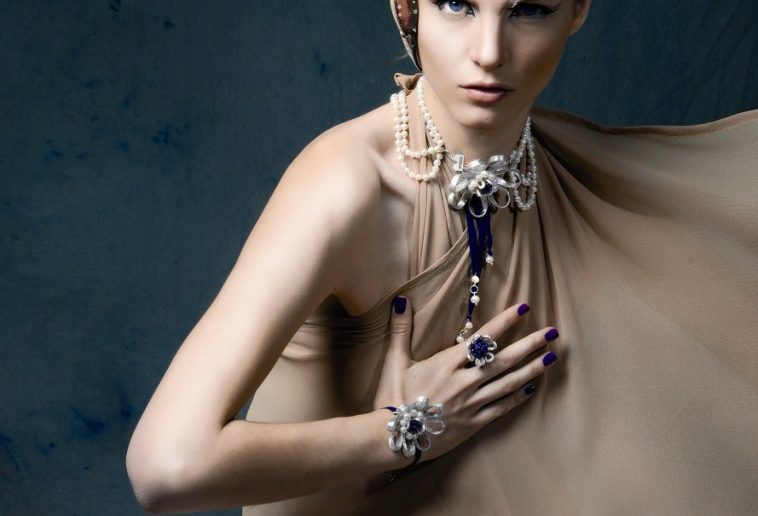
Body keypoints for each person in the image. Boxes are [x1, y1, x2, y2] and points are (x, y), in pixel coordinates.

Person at [126, 1, 758, 514]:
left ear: (578, 11)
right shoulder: (348, 185)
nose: (489, 51)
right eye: (457, 4)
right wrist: (408, 428)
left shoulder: (559, 167)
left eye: (529, 9)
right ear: (407, 8)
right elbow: (166, 467)